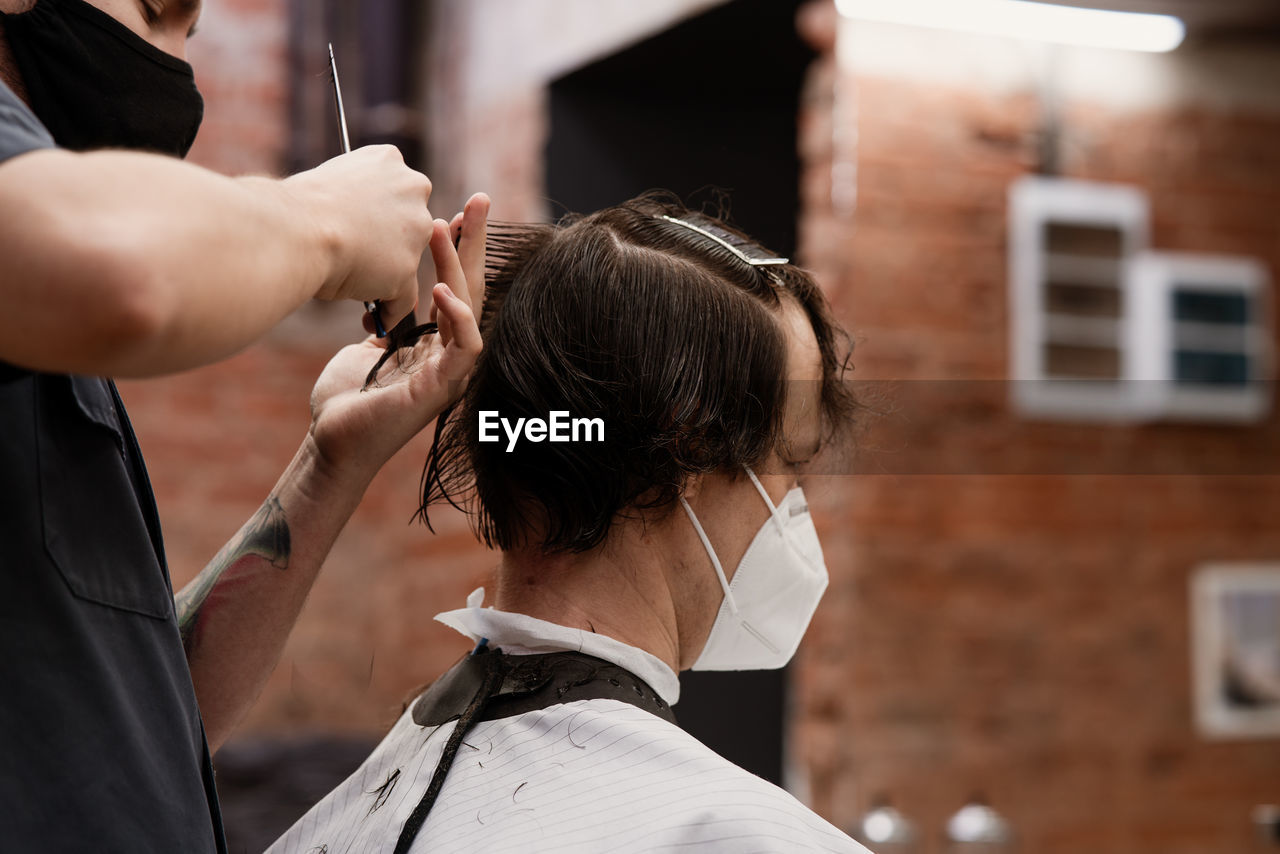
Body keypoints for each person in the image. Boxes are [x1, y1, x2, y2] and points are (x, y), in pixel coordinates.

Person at [0, 0, 488, 850]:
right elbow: (119, 273)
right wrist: (328, 221)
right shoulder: (62, 261)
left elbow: (146, 703)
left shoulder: (42, 347)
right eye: (155, 9)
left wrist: (329, 463)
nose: (180, 35)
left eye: (189, 34)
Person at [268, 196, 870, 853]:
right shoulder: (739, 838)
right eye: (790, 462)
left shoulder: (321, 831)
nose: (791, 505)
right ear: (692, 442)